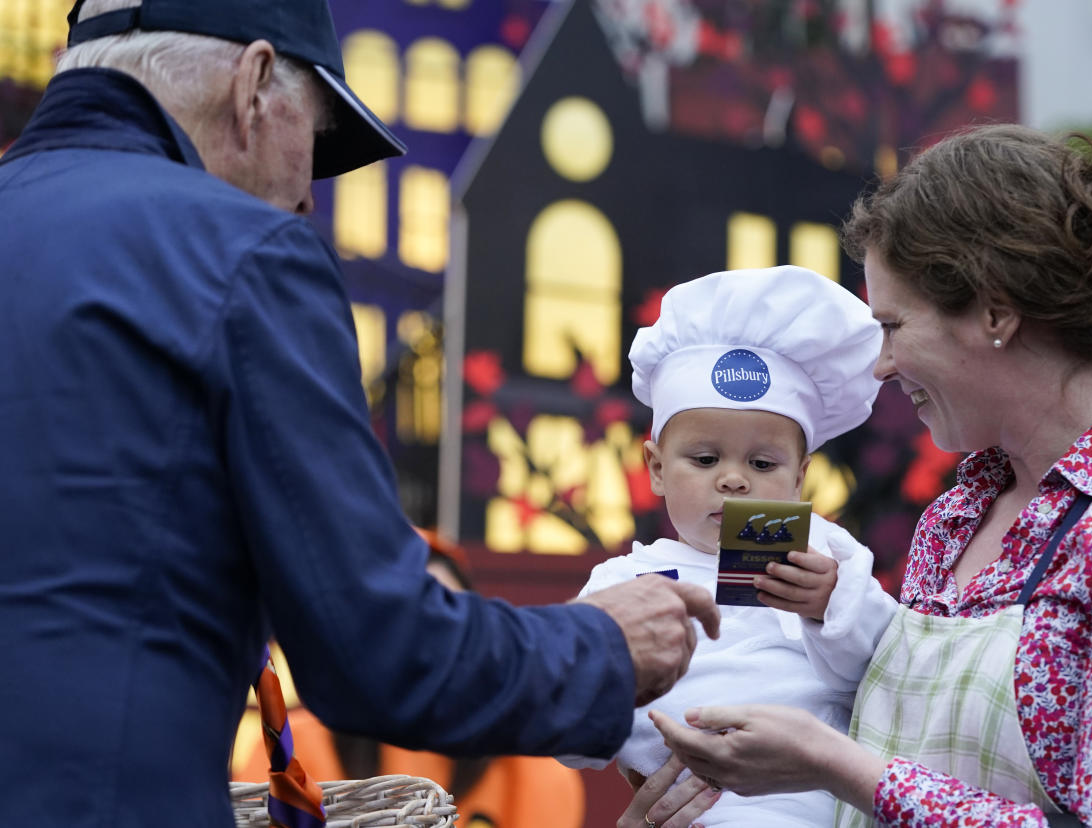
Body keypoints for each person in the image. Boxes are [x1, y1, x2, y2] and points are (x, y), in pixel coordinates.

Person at [0, 1, 720, 825]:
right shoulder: (244, 252)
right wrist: (603, 647)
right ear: (256, 83)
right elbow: (379, 650)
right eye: (314, 142)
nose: (307, 201)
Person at [644, 123, 1092, 827]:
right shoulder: (958, 514)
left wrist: (836, 765)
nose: (882, 364)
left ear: (994, 310)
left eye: (893, 327)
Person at [563, 266, 897, 827]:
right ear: (657, 468)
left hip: (817, 807)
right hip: (688, 809)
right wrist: (608, 669)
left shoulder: (828, 557)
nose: (734, 480)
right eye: (705, 458)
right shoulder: (623, 581)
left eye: (762, 464)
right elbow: (567, 732)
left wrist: (831, 605)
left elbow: (886, 672)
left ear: (800, 477)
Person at [233, 530, 588, 828]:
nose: (426, 648)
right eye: (400, 624)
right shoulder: (288, 750)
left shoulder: (532, 771)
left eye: (448, 619)